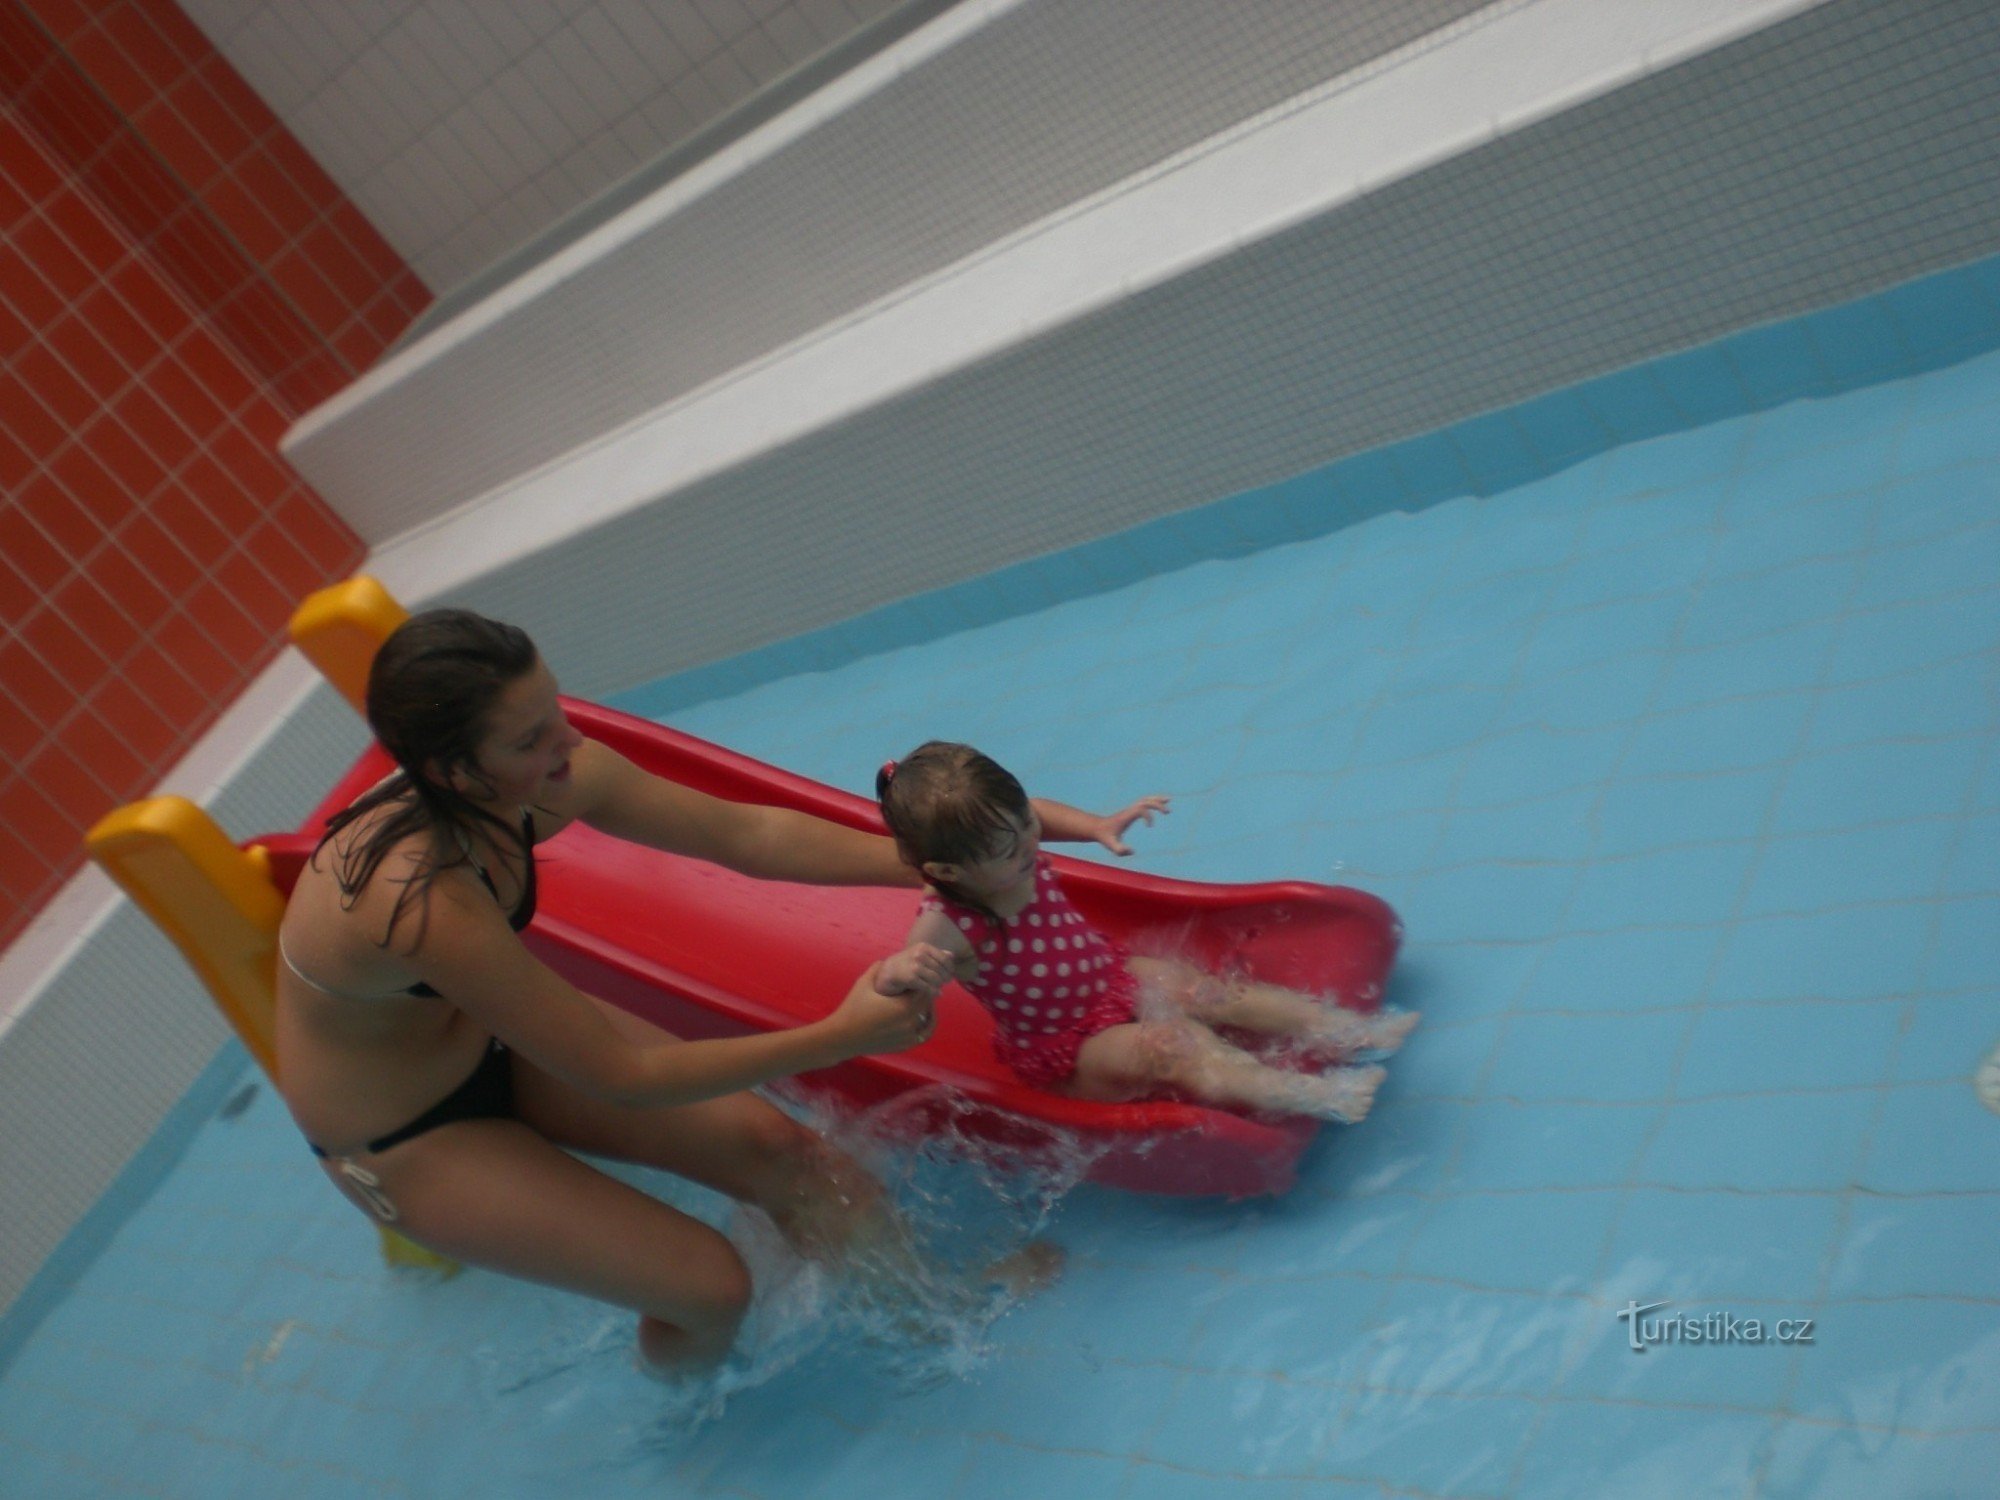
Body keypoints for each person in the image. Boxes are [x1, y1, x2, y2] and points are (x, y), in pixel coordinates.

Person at [275, 608, 967, 1377]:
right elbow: (622, 1078)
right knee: (710, 1289)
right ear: (454, 773)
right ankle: (687, 1414)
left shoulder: (539, 779)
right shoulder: (419, 902)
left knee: (783, 1151)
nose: (568, 740)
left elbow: (748, 838)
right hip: (408, 1136)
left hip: (492, 1038)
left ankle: (936, 1315)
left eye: (555, 709)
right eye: (531, 737)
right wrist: (843, 1033)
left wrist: (932, 863)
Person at [875, 741, 1417, 1121]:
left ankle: (1346, 1029)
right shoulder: (949, 922)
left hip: (1111, 977)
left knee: (1208, 992)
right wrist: (901, 971)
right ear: (948, 873)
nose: (1030, 844)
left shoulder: (1011, 835)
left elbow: (1036, 810)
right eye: (1011, 849)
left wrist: (1098, 826)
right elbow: (903, 969)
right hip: (1069, 1047)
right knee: (1171, 1047)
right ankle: (1315, 1094)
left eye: (1025, 828)